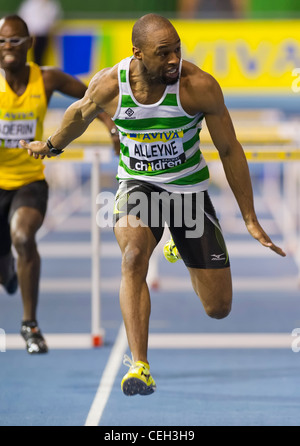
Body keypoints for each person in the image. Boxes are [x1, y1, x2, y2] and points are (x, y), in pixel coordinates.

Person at [21, 14, 286, 393]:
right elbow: (78, 115)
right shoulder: (110, 85)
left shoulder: (199, 87)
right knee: (132, 258)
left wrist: (250, 218)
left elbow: (229, 149)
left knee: (218, 307)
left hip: (187, 191)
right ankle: (140, 365)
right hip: (138, 185)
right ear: (138, 54)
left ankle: (180, 243)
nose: (174, 60)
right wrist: (51, 146)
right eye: (164, 54)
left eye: (177, 50)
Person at [0, 14, 120, 354]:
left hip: (29, 180)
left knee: (23, 237)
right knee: (5, 263)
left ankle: (29, 325)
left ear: (29, 43)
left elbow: (92, 100)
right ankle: (6, 268)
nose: (8, 47)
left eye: (15, 40)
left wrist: (111, 126)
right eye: (2, 41)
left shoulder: (46, 78)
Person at [18, 0, 62, 65]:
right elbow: (24, 17)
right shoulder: (30, 4)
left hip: (45, 34)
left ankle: (39, 71)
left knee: (41, 57)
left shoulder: (51, 5)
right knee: (31, 56)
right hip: (32, 34)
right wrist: (31, 32)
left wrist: (51, 29)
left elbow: (54, 19)